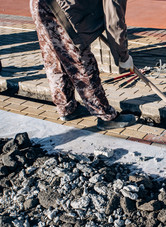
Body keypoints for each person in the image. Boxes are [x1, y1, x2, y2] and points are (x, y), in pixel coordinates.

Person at [30, 0, 136, 130]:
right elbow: (114, 22)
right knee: (82, 65)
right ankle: (106, 117)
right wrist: (123, 56)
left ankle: (67, 108)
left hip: (40, 4)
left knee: (55, 59)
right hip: (61, 11)